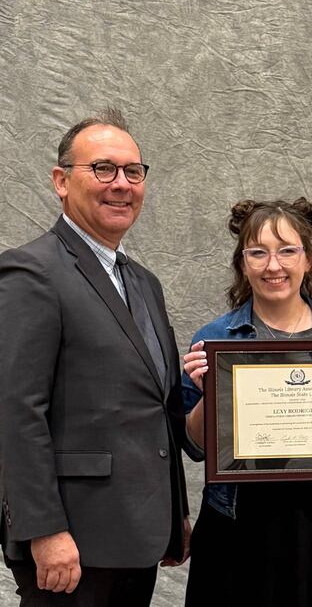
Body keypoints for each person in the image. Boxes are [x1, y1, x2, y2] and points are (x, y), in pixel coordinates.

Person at [0, 109, 190, 606]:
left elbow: (156, 408)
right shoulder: (31, 273)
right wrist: (44, 529)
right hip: (71, 541)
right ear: (61, 181)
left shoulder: (144, 283)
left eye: (133, 171)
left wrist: (176, 512)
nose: (121, 184)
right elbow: (16, 412)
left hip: (138, 534)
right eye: (103, 169)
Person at [181, 198, 312, 607]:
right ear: (243, 264)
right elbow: (196, 446)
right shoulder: (214, 339)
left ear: (308, 259)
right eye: (258, 253)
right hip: (241, 529)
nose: (273, 265)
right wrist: (210, 394)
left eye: (287, 251)